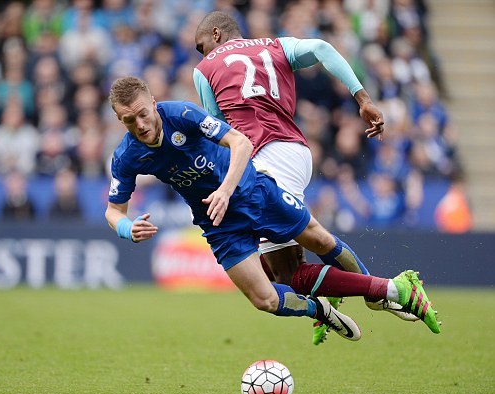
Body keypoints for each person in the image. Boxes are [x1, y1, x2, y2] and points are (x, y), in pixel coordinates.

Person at [104, 76, 440, 340]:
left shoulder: (180, 113)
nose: (140, 125)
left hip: (254, 192)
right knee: (265, 299)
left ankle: (378, 293)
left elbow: (240, 142)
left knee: (319, 240)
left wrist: (226, 188)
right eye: (128, 120)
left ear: (153, 101)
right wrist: (126, 227)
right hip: (219, 223)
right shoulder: (127, 155)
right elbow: (113, 210)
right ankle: (321, 312)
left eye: (143, 114)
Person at [192, 11, 412, 345]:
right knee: (273, 266)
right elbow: (324, 49)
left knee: (287, 273)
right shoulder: (276, 46)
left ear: (217, 33)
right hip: (296, 150)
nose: (202, 52)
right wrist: (363, 99)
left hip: (266, 159)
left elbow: (217, 129)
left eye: (202, 45)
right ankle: (358, 295)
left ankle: (382, 292)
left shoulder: (204, 69)